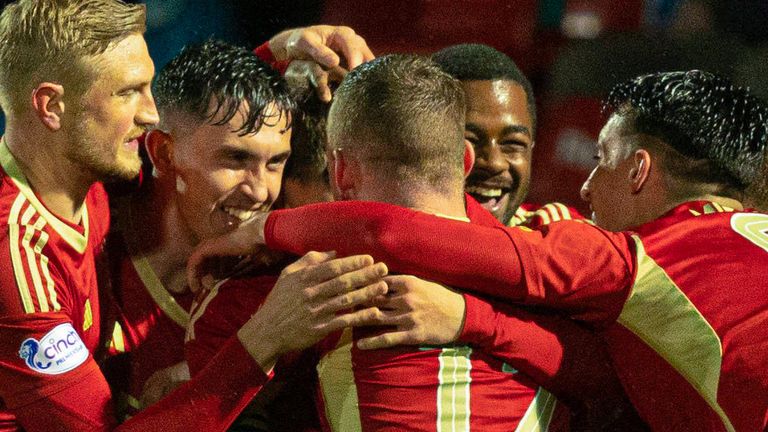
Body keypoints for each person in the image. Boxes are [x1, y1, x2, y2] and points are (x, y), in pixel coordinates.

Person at [192, 70, 768, 431]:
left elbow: (386, 233)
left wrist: (261, 231)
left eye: (600, 160)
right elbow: (614, 380)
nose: (587, 186)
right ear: (464, 161)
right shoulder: (742, 237)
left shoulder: (604, 258)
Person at [0, 0, 383, 429]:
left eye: (276, 162)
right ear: (51, 107)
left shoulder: (93, 177)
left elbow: (202, 125)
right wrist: (264, 339)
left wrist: (277, 51)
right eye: (128, 92)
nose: (148, 113)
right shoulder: (18, 259)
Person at [432, 44, 581, 226]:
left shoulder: (561, 240)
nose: (495, 163)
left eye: (512, 144)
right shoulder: (389, 243)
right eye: (469, 140)